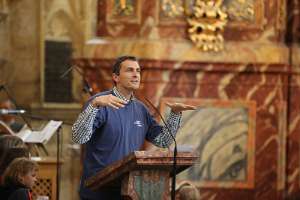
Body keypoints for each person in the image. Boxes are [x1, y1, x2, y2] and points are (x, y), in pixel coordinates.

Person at [72, 55, 196, 200]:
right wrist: (93, 105)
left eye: (138, 70)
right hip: (98, 191)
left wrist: (175, 114)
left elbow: (163, 141)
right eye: (130, 70)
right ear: (116, 77)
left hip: (128, 191)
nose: (136, 74)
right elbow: (78, 137)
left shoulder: (141, 109)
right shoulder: (100, 102)